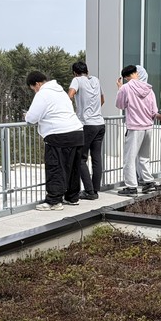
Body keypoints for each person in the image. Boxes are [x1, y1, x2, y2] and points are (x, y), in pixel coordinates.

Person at [24, 70, 84, 211]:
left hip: (58, 134)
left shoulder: (43, 94)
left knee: (55, 167)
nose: (35, 91)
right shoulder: (61, 91)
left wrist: (26, 115)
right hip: (77, 132)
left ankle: (54, 201)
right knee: (72, 167)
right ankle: (72, 197)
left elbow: (32, 118)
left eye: (33, 88)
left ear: (37, 84)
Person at [115, 64, 158, 195]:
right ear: (136, 73)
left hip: (134, 127)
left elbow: (120, 105)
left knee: (129, 158)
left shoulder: (125, 88)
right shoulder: (149, 88)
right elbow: (154, 110)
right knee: (144, 157)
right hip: (148, 127)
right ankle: (149, 182)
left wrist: (119, 88)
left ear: (126, 77)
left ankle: (131, 187)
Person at [67, 61, 104, 199]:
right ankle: (95, 189)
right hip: (100, 123)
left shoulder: (76, 80)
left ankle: (89, 191)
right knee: (96, 158)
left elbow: (70, 95)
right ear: (87, 71)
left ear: (74, 72)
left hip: (86, 124)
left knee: (81, 158)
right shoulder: (95, 80)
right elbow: (102, 100)